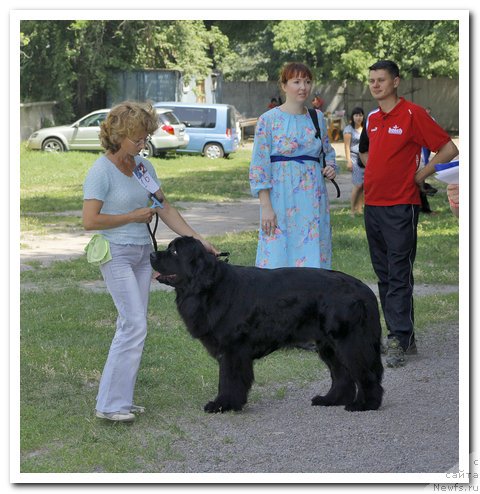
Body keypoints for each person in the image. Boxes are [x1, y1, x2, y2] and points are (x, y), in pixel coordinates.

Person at [83, 101, 218, 422]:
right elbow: (90, 220)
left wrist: (199, 240)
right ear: (117, 136)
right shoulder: (100, 171)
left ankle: (119, 400)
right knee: (134, 325)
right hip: (115, 254)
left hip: (143, 255)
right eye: (138, 139)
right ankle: (110, 405)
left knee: (131, 325)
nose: (144, 143)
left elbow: (165, 208)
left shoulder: (143, 168)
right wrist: (132, 216)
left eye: (145, 137)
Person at [359, 60, 458, 368]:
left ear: (396, 81)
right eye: (372, 80)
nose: (375, 85)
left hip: (401, 205)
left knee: (399, 272)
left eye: (381, 80)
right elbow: (364, 152)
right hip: (373, 205)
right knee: (385, 274)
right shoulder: (373, 118)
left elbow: (449, 148)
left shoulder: (413, 114)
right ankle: (404, 337)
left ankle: (399, 339)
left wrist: (422, 173)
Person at [249, 62, 338, 270]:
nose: (303, 87)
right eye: (296, 81)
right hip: (280, 201)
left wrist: (331, 167)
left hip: (313, 202)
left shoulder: (317, 118)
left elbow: (327, 152)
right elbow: (259, 167)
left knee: (313, 256)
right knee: (277, 257)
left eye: (307, 82)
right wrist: (266, 208)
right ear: (284, 85)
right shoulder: (268, 120)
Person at [343, 107, 365, 216]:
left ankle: (359, 209)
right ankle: (352, 210)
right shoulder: (348, 129)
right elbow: (346, 146)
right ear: (352, 117)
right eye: (356, 115)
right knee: (358, 185)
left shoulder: (365, 128)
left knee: (364, 186)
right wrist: (348, 161)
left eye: (360, 115)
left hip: (364, 159)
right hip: (354, 158)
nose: (358, 117)